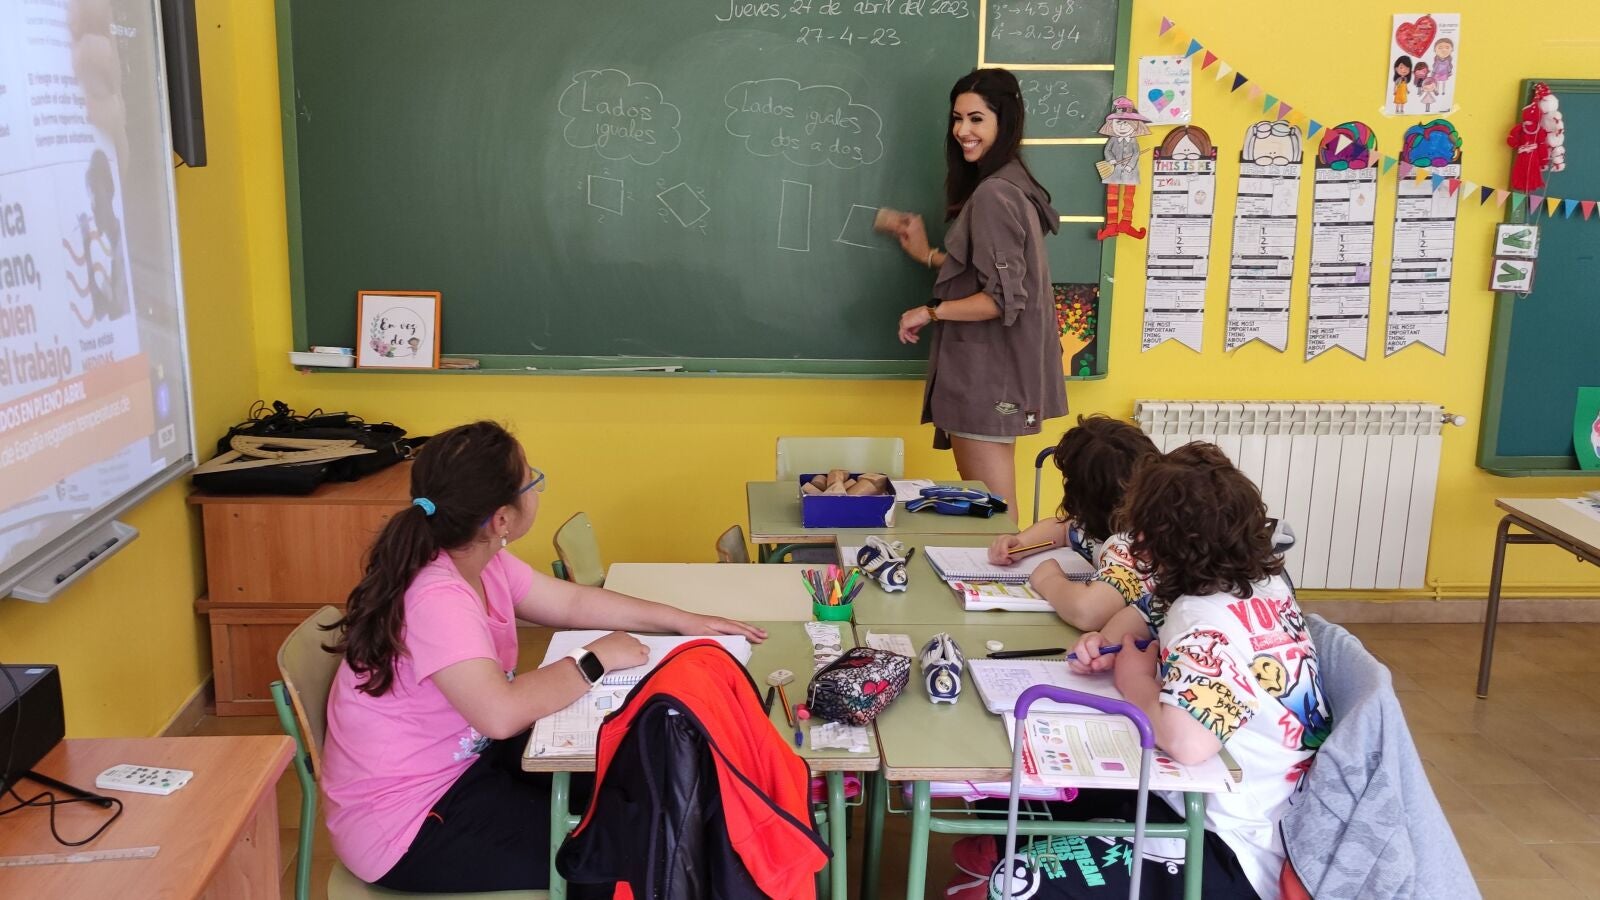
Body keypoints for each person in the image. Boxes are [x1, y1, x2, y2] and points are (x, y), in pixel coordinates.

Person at [319, 421, 768, 892]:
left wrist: (682, 620)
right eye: (531, 480)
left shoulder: (478, 559)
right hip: (407, 823)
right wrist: (594, 658)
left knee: (633, 783)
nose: (536, 488)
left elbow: (572, 603)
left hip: (467, 766)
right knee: (619, 855)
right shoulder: (437, 598)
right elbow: (500, 713)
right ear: (501, 520)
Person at [1048, 442, 1332, 899]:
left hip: (1232, 848)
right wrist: (1116, 647)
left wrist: (1135, 681)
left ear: (1155, 542)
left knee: (1019, 877)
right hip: (1279, 823)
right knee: (1063, 800)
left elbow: (1189, 743)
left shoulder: (1201, 619)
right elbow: (1150, 627)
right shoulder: (1264, 586)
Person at [893, 67, 1068, 513]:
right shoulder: (1012, 184)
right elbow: (992, 273)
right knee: (991, 515)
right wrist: (928, 255)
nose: (962, 131)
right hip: (994, 376)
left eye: (976, 119)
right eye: (957, 119)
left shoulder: (995, 195)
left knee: (994, 520)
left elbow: (1002, 299)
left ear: (1004, 123)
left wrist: (930, 311)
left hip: (988, 379)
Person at [985, 414, 1159, 630]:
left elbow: (1087, 611)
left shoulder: (1135, 546)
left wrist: (1049, 580)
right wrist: (1022, 543)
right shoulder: (1108, 524)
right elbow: (1063, 528)